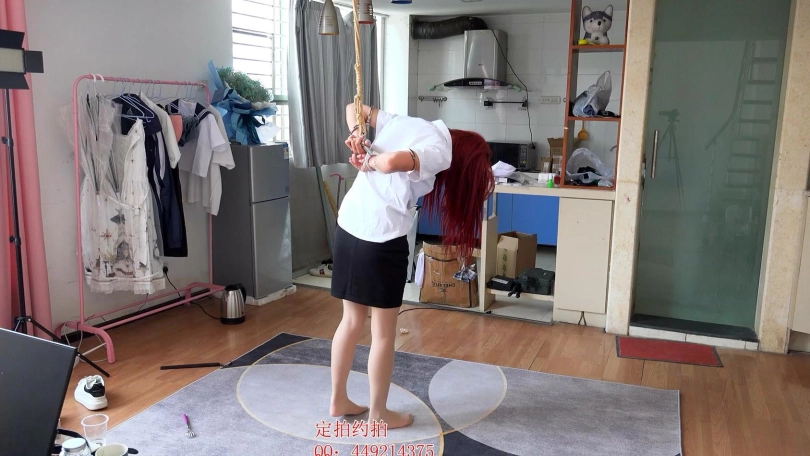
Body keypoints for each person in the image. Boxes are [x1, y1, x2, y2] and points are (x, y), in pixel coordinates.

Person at [329, 103, 495, 429]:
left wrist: (357, 134)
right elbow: (392, 162)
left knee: (351, 320)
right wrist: (370, 160)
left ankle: (338, 399)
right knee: (383, 333)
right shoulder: (441, 151)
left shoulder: (408, 123)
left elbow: (353, 108)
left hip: (348, 226)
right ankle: (379, 414)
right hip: (382, 237)